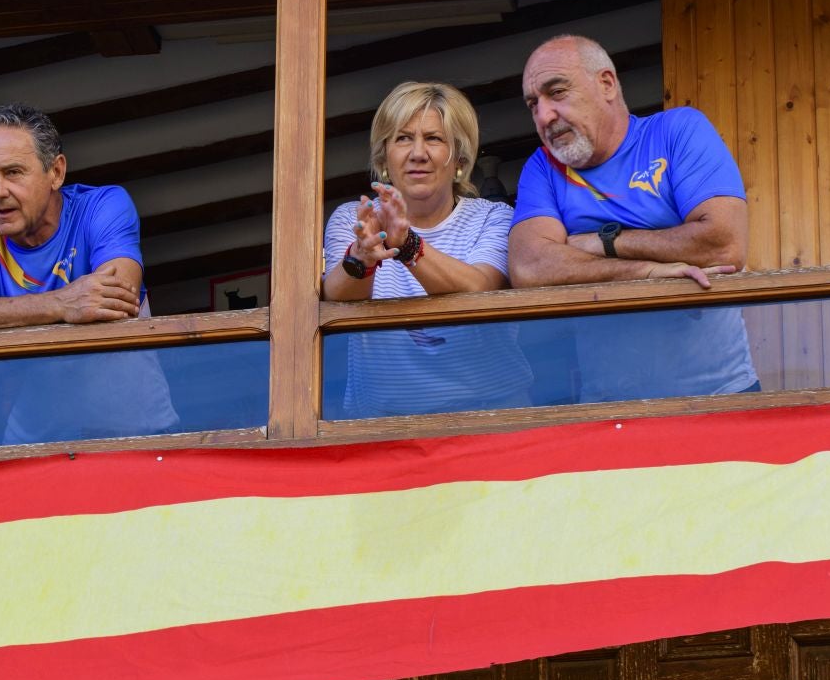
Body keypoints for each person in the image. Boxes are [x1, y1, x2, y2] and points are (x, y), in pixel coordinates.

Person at [509, 35, 758, 400]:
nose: (544, 116)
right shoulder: (542, 167)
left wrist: (604, 242)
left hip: (721, 395)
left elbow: (724, 244)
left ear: (606, 84)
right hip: (609, 407)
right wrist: (647, 272)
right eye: (534, 104)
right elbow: (529, 267)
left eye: (557, 92)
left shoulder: (677, 131)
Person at [0, 102, 177, 442]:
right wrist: (62, 304)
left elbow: (116, 304)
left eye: (13, 172)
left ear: (56, 172)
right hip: (35, 437)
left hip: (130, 428)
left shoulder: (103, 206)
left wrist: (1, 357)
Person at [322, 81, 532, 418]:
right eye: (403, 138)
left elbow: (479, 289)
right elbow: (336, 295)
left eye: (434, 138)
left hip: (491, 418)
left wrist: (406, 244)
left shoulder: (494, 216)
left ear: (459, 158)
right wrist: (362, 258)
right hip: (380, 427)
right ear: (384, 157)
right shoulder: (353, 216)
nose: (418, 152)